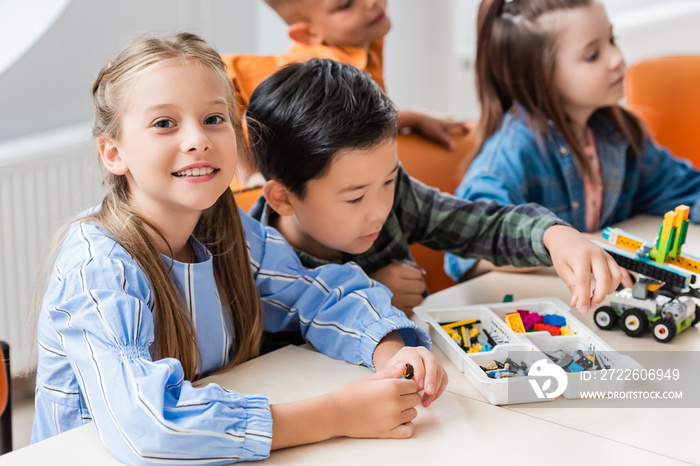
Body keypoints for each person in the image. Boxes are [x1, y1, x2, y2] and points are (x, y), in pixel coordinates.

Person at [30, 33, 448, 465]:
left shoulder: (224, 228)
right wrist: (335, 414)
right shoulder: (98, 267)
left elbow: (318, 293)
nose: (197, 139)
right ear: (113, 153)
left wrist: (394, 351)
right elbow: (149, 426)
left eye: (214, 118)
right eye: (164, 123)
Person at [245, 57, 625, 316]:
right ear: (283, 198)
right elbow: (276, 362)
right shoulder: (251, 264)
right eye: (356, 196)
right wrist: (368, 294)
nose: (380, 208)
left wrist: (553, 236)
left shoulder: (394, 200)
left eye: (389, 180)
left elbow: (481, 226)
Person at [445, 0, 700, 283]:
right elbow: (466, 248)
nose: (617, 58)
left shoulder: (618, 133)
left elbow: (685, 189)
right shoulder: (510, 156)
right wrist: (559, 243)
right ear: (538, 76)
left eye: (612, 40)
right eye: (592, 55)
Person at [224, 0, 469, 182]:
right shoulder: (316, 71)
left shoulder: (361, 41)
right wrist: (411, 117)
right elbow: (342, 131)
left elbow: (356, 120)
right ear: (308, 33)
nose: (371, 2)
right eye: (345, 5)